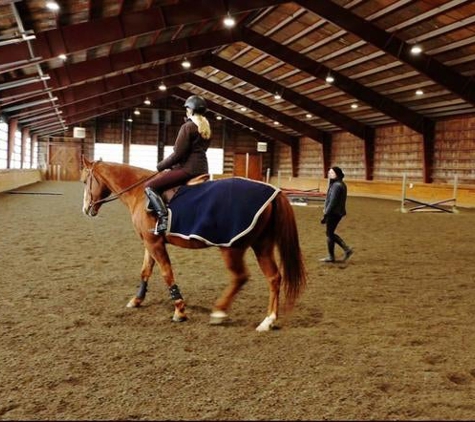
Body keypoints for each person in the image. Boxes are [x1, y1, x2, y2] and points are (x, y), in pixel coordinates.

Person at [144, 94, 211, 235]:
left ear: (191, 110)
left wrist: (160, 166)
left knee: (150, 186)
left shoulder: (187, 127)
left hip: (188, 169)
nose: (186, 112)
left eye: (187, 109)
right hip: (202, 167)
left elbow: (177, 154)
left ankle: (163, 219)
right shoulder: (205, 127)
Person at [319, 166, 353, 263]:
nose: (329, 174)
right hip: (336, 212)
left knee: (329, 233)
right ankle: (332, 255)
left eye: (331, 173)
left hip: (334, 213)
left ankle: (346, 250)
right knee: (329, 233)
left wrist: (326, 213)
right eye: (329, 172)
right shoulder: (337, 184)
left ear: (337, 174)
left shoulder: (337, 185)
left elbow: (333, 202)